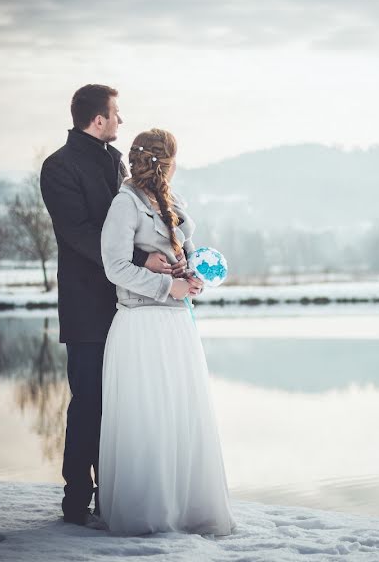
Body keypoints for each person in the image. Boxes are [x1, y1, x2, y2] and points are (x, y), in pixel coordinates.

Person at [40, 85, 186, 527]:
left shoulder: (114, 160)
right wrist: (141, 260)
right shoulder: (58, 167)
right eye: (116, 114)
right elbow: (80, 233)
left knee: (123, 403)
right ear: (98, 119)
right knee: (88, 401)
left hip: (128, 303)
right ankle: (75, 498)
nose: (121, 121)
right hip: (87, 305)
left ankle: (113, 496)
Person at [98, 128, 236, 536]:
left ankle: (189, 508)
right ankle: (148, 513)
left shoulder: (174, 203)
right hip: (142, 323)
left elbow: (185, 255)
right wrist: (166, 286)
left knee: (181, 411)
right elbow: (115, 266)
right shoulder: (124, 205)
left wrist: (192, 278)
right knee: (150, 413)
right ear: (167, 162)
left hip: (177, 322)